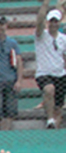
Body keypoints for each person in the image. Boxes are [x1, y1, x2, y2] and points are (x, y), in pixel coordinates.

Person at [34, 1, 66, 129]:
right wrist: (45, 5)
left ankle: (54, 130)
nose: (53, 24)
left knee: (58, 107)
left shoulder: (63, 38)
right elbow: (39, 22)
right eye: (51, 21)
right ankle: (49, 119)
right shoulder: (42, 36)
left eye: (56, 21)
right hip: (44, 72)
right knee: (49, 89)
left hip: (60, 73)